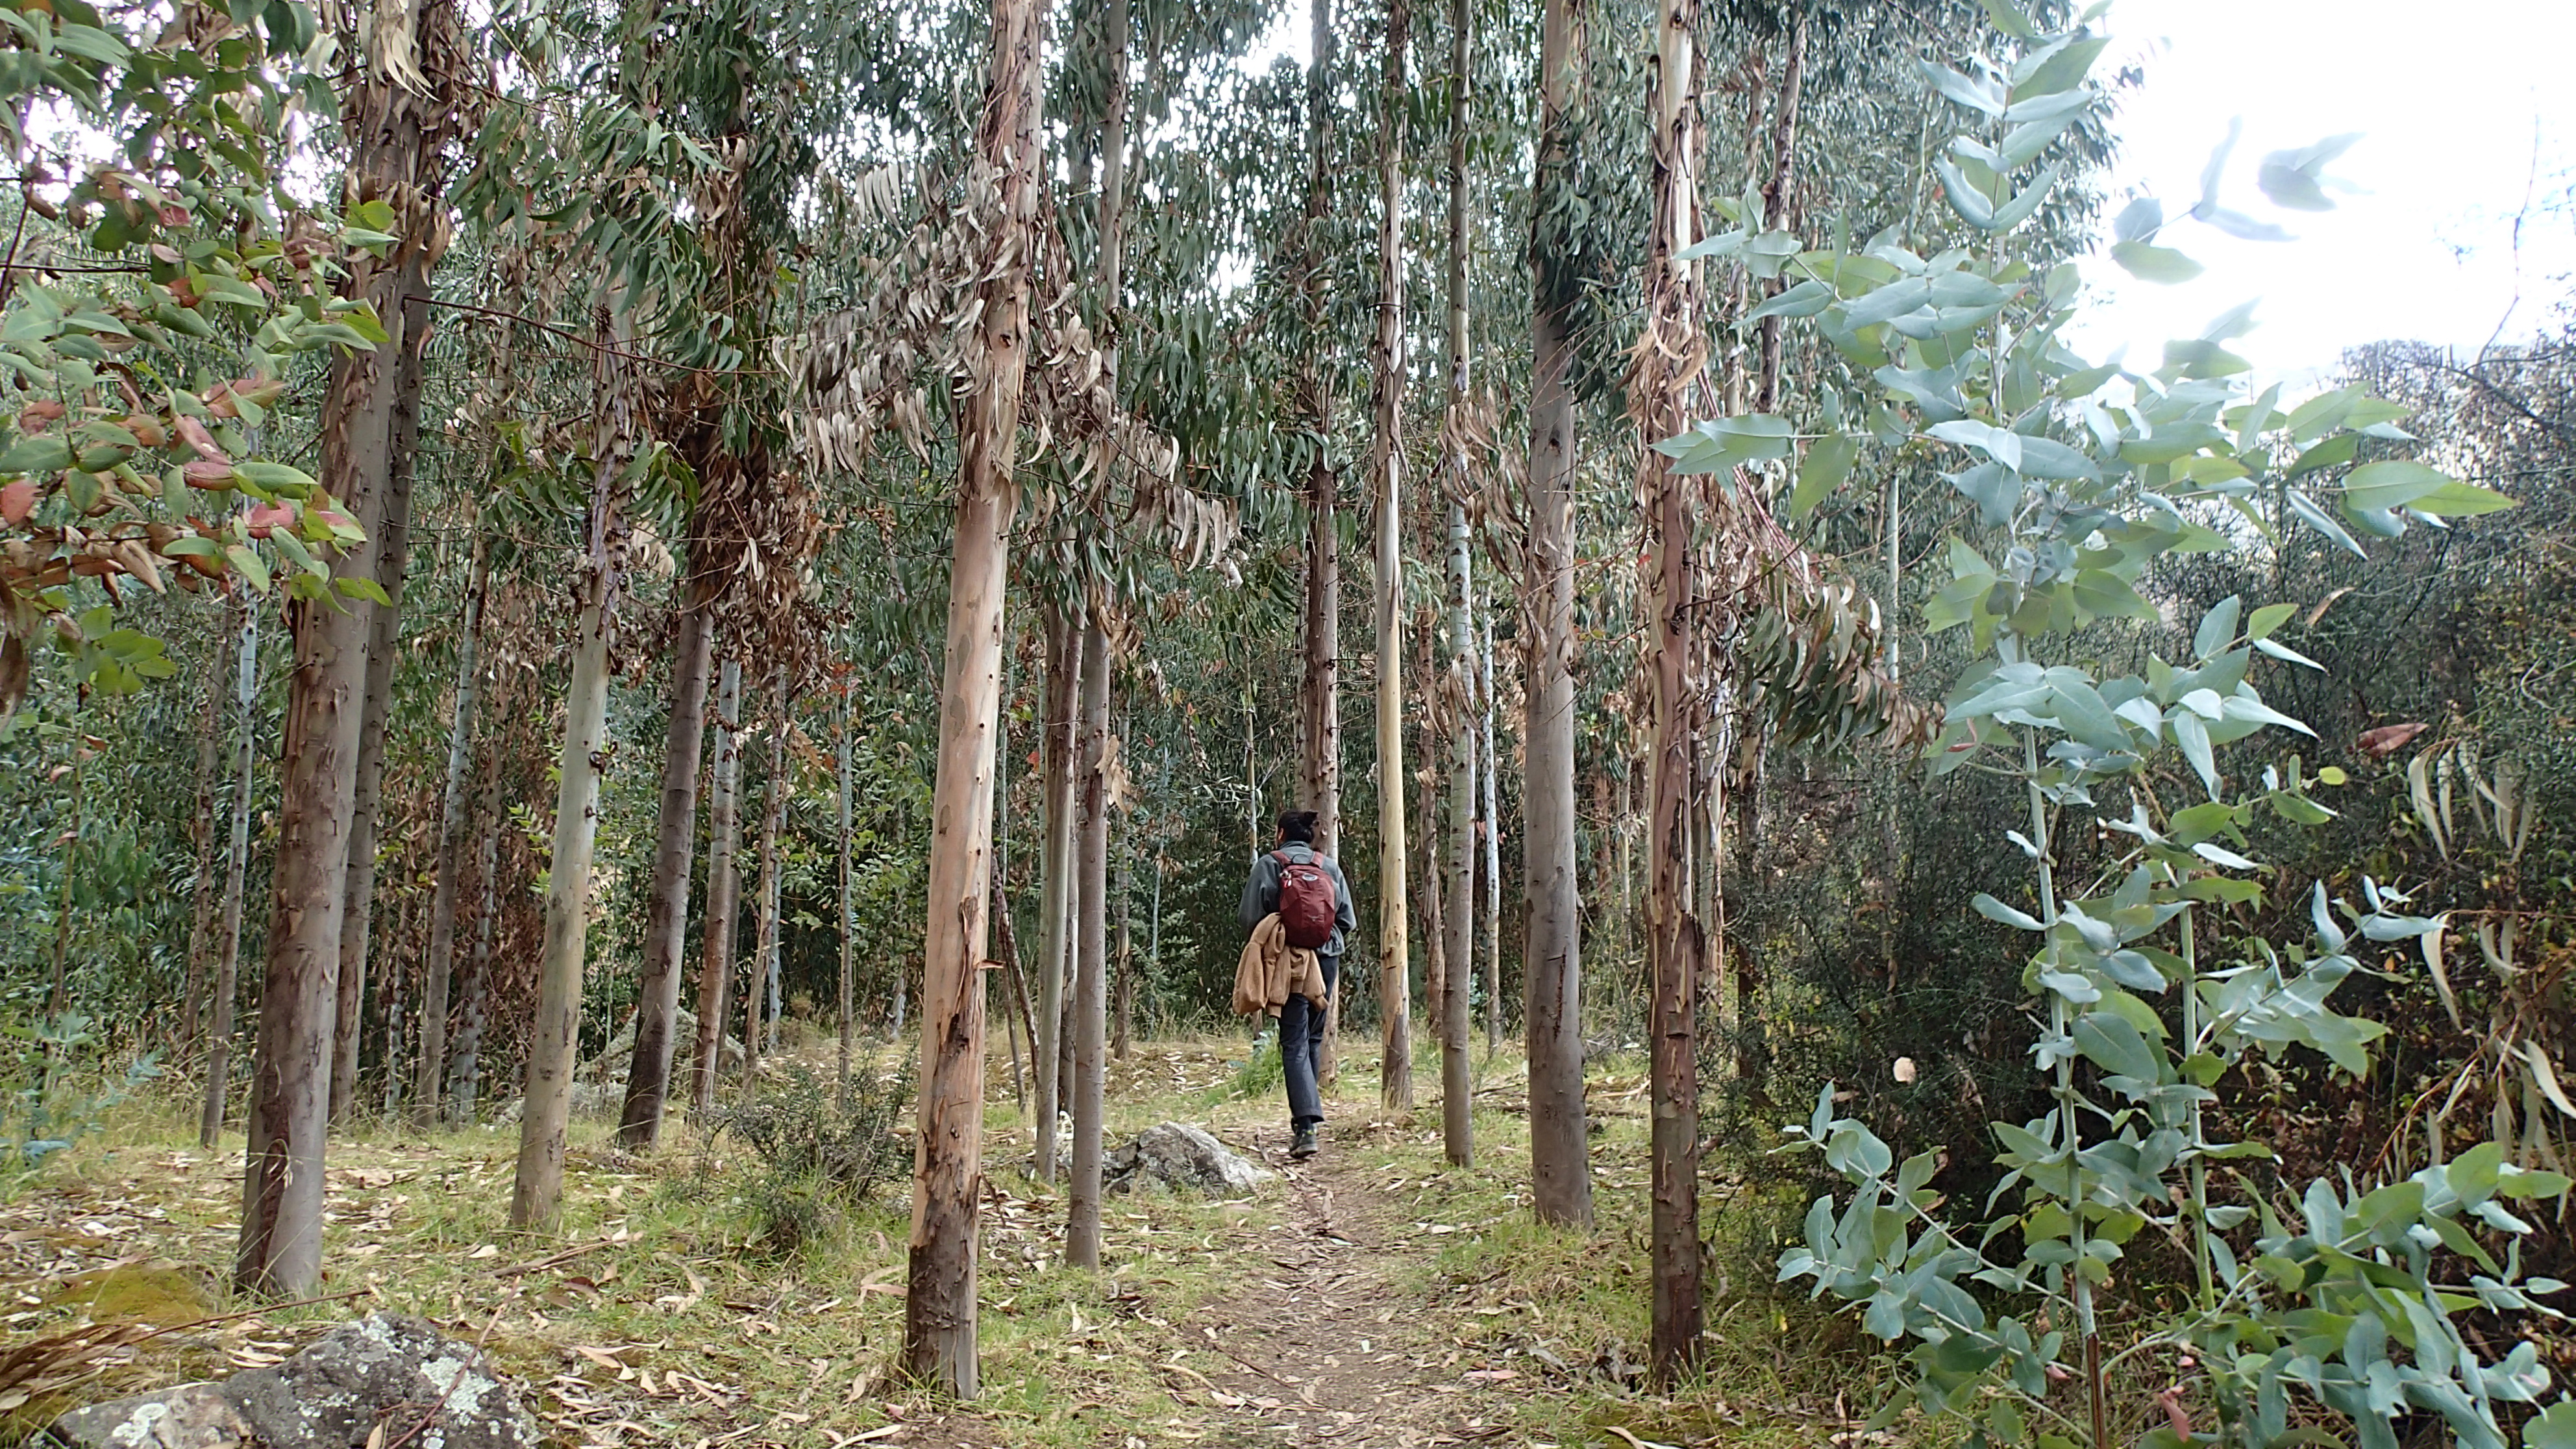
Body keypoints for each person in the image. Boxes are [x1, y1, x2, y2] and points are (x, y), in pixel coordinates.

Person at [1238, 810, 1357, 1160]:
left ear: (1280, 834)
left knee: (1294, 1041)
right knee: (1313, 1037)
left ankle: (1305, 1129)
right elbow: (1347, 920)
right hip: (1327, 958)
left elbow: (1249, 918)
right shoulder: (1329, 867)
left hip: (1289, 962)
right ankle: (1308, 1121)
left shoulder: (1269, 864)